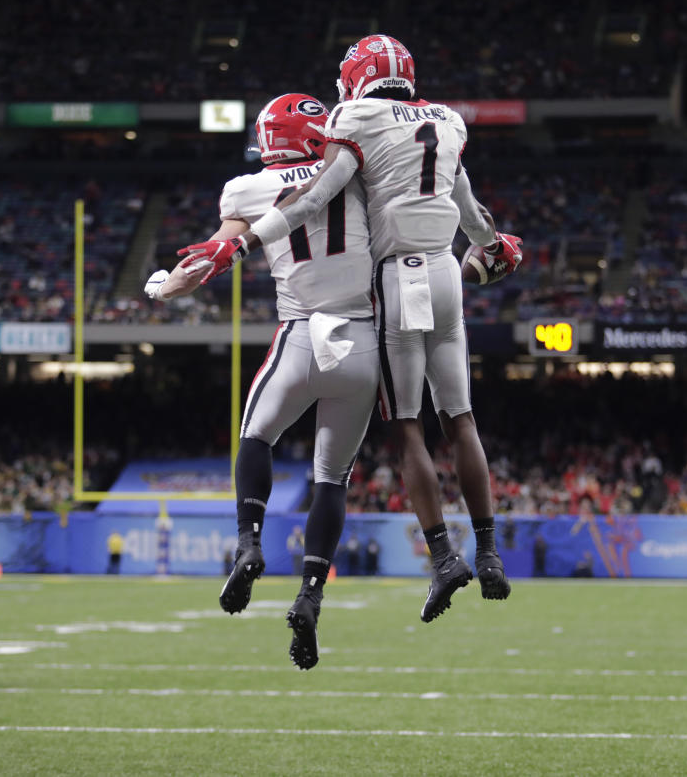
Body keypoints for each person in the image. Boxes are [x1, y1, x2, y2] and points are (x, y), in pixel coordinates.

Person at [179, 35, 524, 623]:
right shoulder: (447, 119)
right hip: (448, 270)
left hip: (396, 281)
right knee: (461, 419)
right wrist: (493, 248)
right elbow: (474, 215)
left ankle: (443, 556)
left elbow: (314, 198)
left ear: (356, 76)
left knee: (409, 427)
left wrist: (238, 245)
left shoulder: (354, 116)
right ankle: (489, 551)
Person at [150, 93, 378, 669]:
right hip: (363, 338)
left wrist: (161, 287)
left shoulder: (246, 189)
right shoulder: (355, 170)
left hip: (301, 333)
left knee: (256, 436)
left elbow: (201, 266)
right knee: (332, 479)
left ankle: (249, 539)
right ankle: (310, 595)